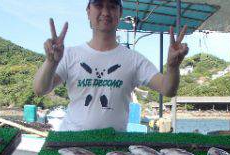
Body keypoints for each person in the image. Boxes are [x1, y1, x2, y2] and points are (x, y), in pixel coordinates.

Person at [33, 0, 189, 131]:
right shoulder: (69, 54)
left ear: (120, 13)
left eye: (112, 6)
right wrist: (51, 61)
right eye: (99, 5)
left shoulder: (133, 59)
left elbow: (168, 89)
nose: (106, 12)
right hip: (71, 140)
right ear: (88, 11)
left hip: (113, 146)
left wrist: (172, 67)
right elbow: (40, 89)